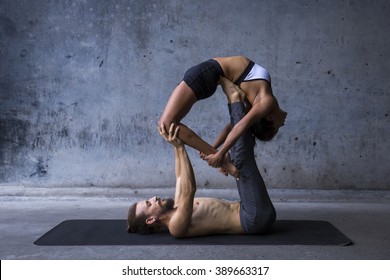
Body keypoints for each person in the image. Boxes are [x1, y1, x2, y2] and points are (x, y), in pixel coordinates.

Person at [127, 82, 277, 238]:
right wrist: (179, 148)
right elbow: (188, 189)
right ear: (151, 220)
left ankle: (252, 111)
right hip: (253, 218)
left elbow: (180, 176)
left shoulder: (177, 205)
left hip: (249, 207)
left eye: (148, 199)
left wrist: (176, 144)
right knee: (240, 161)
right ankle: (235, 99)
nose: (153, 198)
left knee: (235, 144)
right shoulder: (176, 227)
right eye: (149, 204)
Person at [158, 55, 287, 178]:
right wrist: (216, 149)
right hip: (206, 73)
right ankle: (220, 159)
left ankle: (223, 162)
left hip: (206, 74)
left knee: (166, 124)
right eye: (278, 127)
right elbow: (234, 126)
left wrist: (219, 153)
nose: (283, 124)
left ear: (269, 117)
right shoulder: (262, 100)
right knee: (168, 124)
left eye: (278, 127)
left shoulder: (265, 102)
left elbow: (237, 127)